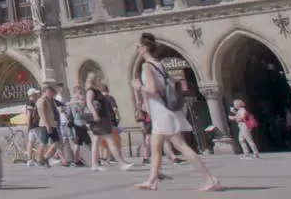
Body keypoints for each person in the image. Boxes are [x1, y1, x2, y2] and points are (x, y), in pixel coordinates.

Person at [133, 32, 218, 192]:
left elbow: (151, 89)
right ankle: (152, 181)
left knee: (182, 146)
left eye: (138, 47)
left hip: (161, 112)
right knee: (156, 148)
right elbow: (174, 83)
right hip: (162, 112)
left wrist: (139, 87)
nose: (137, 49)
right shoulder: (160, 65)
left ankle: (210, 178)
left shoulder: (146, 66)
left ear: (144, 48)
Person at [85, 76, 132, 172]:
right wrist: (94, 114)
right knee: (111, 141)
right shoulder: (91, 91)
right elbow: (89, 103)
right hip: (99, 120)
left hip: (101, 119)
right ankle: (121, 163)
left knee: (96, 142)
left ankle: (95, 165)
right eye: (99, 80)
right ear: (95, 81)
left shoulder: (95, 91)